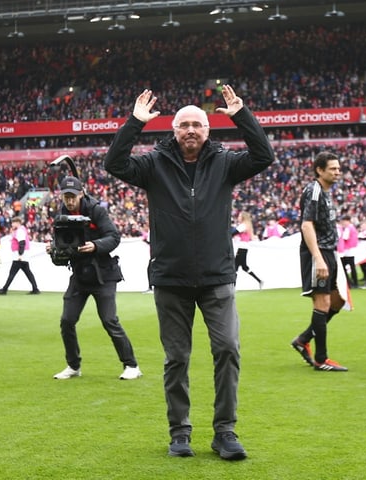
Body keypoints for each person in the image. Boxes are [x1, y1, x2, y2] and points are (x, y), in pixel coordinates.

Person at [104, 86, 274, 460]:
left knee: (228, 349)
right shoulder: (153, 164)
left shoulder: (225, 163)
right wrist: (134, 122)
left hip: (217, 277)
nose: (191, 130)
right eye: (184, 125)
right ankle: (179, 432)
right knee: (176, 359)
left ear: (209, 131)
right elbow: (114, 164)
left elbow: (264, 155)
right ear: (174, 130)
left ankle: (225, 432)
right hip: (170, 279)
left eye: (198, 124)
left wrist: (241, 115)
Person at [49, 176, 142, 381]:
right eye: (66, 197)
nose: (70, 201)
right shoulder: (62, 215)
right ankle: (74, 366)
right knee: (67, 320)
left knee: (109, 320)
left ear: (81, 194)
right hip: (80, 274)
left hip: (104, 274)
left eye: (73, 196)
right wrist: (54, 249)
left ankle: (131, 365)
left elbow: (114, 237)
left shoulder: (96, 210)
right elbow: (65, 248)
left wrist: (96, 245)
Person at [290, 152, 348, 372]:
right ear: (319, 170)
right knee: (322, 304)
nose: (337, 172)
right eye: (333, 168)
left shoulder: (325, 192)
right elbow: (307, 225)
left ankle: (303, 339)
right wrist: (318, 258)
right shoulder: (313, 190)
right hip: (319, 253)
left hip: (329, 252)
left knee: (338, 301)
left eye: (338, 168)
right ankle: (322, 359)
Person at [0, 217, 40, 295]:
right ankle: (35, 289)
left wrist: (20, 254)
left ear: (17, 223)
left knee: (12, 273)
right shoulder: (21, 230)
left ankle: (4, 289)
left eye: (13, 223)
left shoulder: (20, 231)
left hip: (19, 256)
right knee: (28, 273)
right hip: (22, 256)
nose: (12, 224)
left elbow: (22, 242)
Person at [232, 211, 263, 288]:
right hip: (244, 247)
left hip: (241, 247)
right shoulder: (247, 225)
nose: (238, 218)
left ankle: (233, 287)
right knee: (244, 267)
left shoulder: (243, 225)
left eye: (239, 216)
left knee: (235, 267)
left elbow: (233, 232)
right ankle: (259, 281)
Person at [338, 215, 359, 288]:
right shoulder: (352, 227)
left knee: (344, 267)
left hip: (348, 250)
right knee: (352, 267)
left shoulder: (348, 228)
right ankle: (354, 282)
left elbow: (345, 237)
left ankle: (350, 283)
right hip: (351, 249)